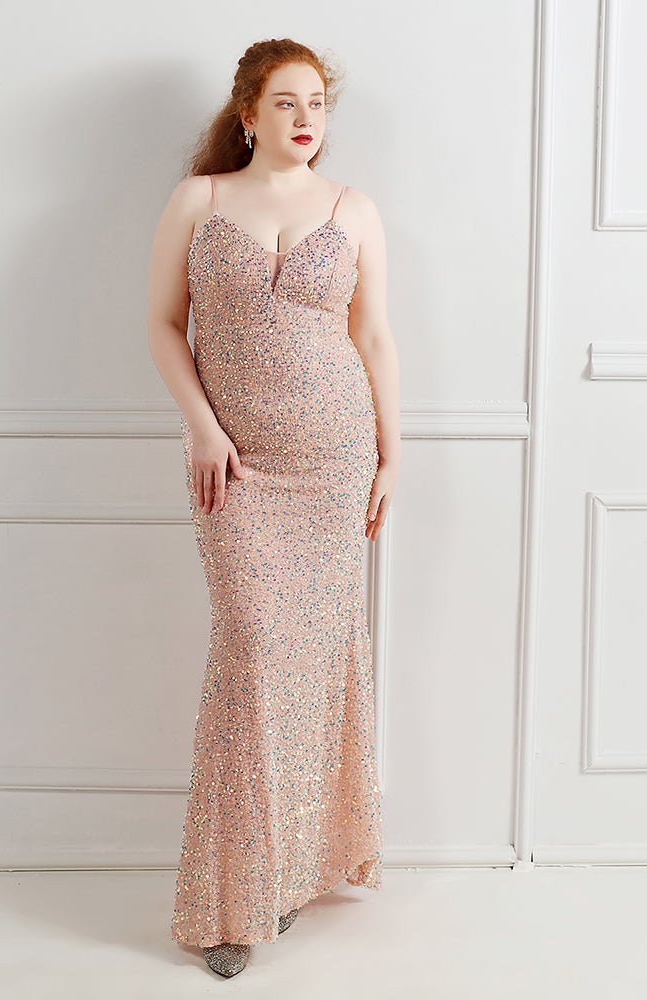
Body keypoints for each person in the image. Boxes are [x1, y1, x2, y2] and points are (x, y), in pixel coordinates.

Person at [147, 37, 400, 978]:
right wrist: (203, 430)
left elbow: (374, 336)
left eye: (318, 104)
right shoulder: (200, 200)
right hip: (238, 467)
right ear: (248, 113)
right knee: (254, 658)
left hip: (335, 458)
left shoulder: (353, 209)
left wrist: (392, 453)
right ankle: (232, 897)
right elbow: (162, 324)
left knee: (313, 668)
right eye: (287, 102)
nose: (306, 119)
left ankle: (290, 873)